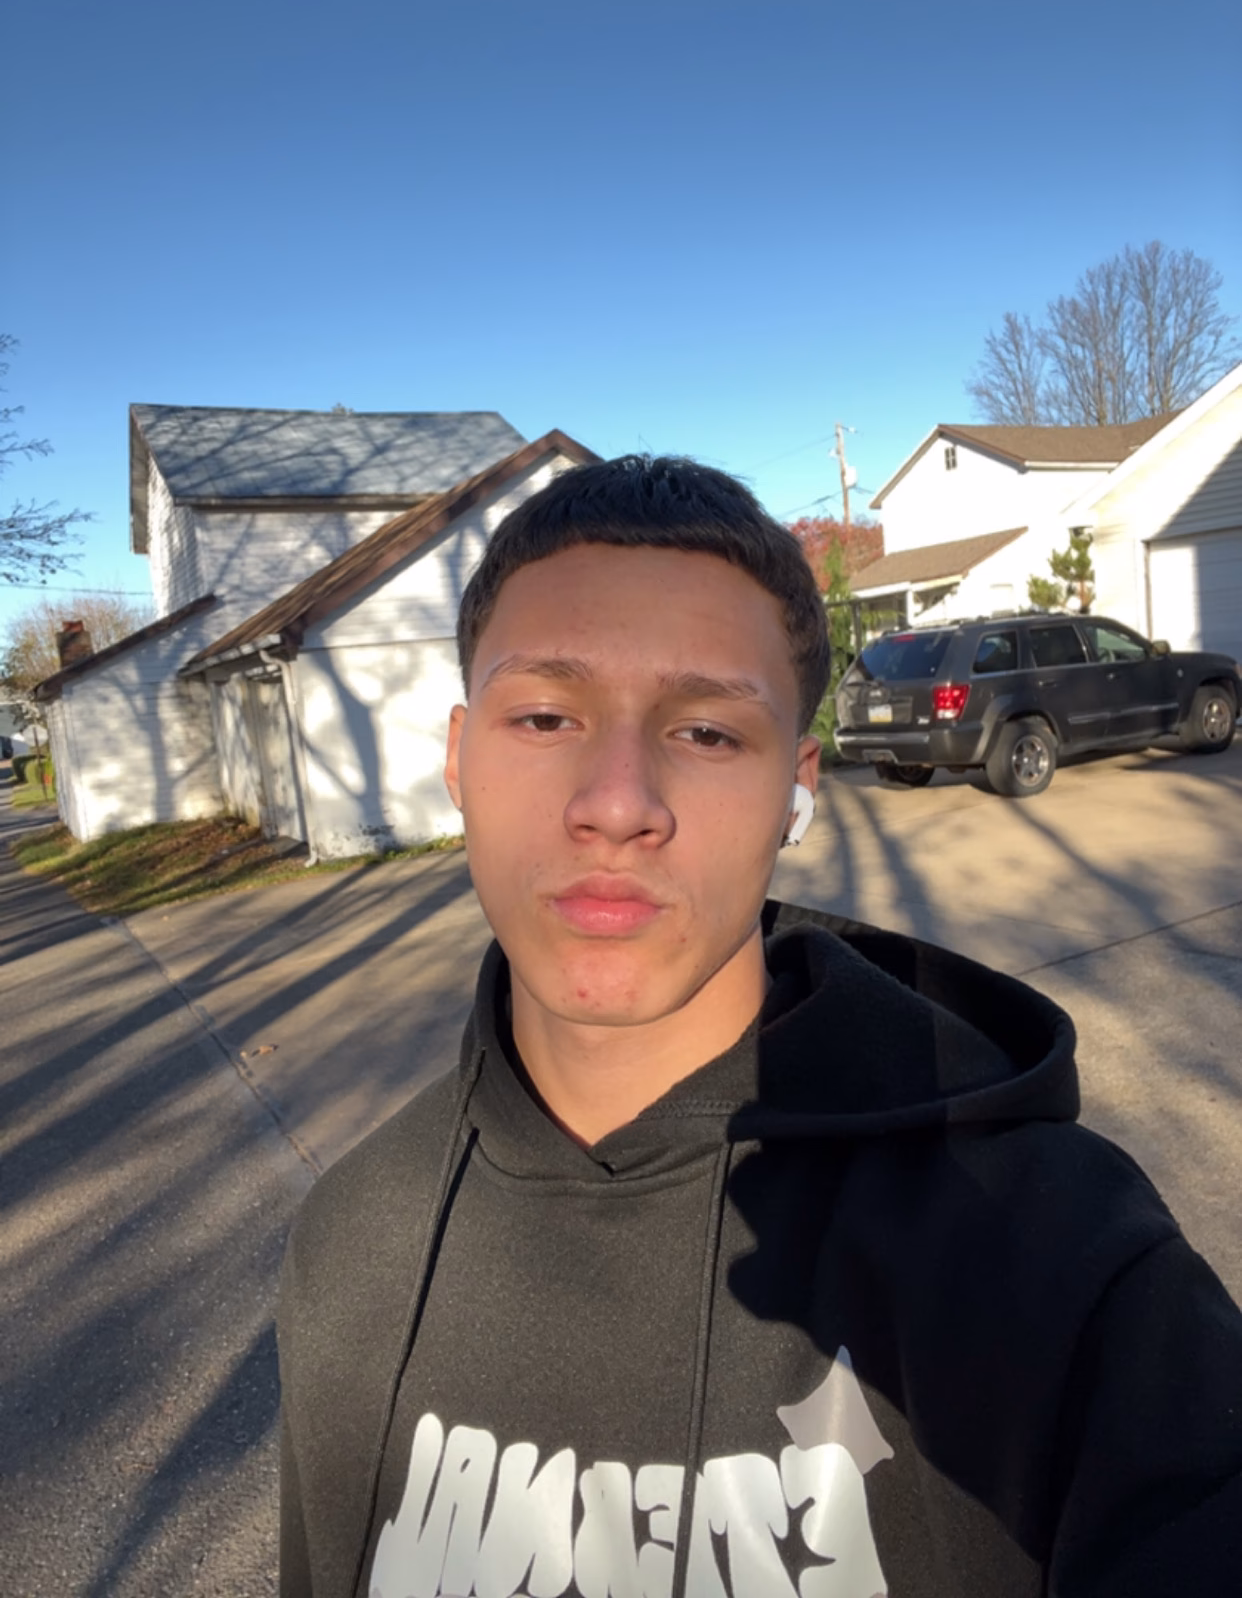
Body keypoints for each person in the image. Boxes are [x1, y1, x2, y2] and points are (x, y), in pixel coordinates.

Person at [277, 456, 1242, 1598]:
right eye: (543, 716)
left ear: (798, 789)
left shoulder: (1053, 1269)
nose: (618, 804)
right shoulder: (351, 1247)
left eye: (706, 733)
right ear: (457, 758)